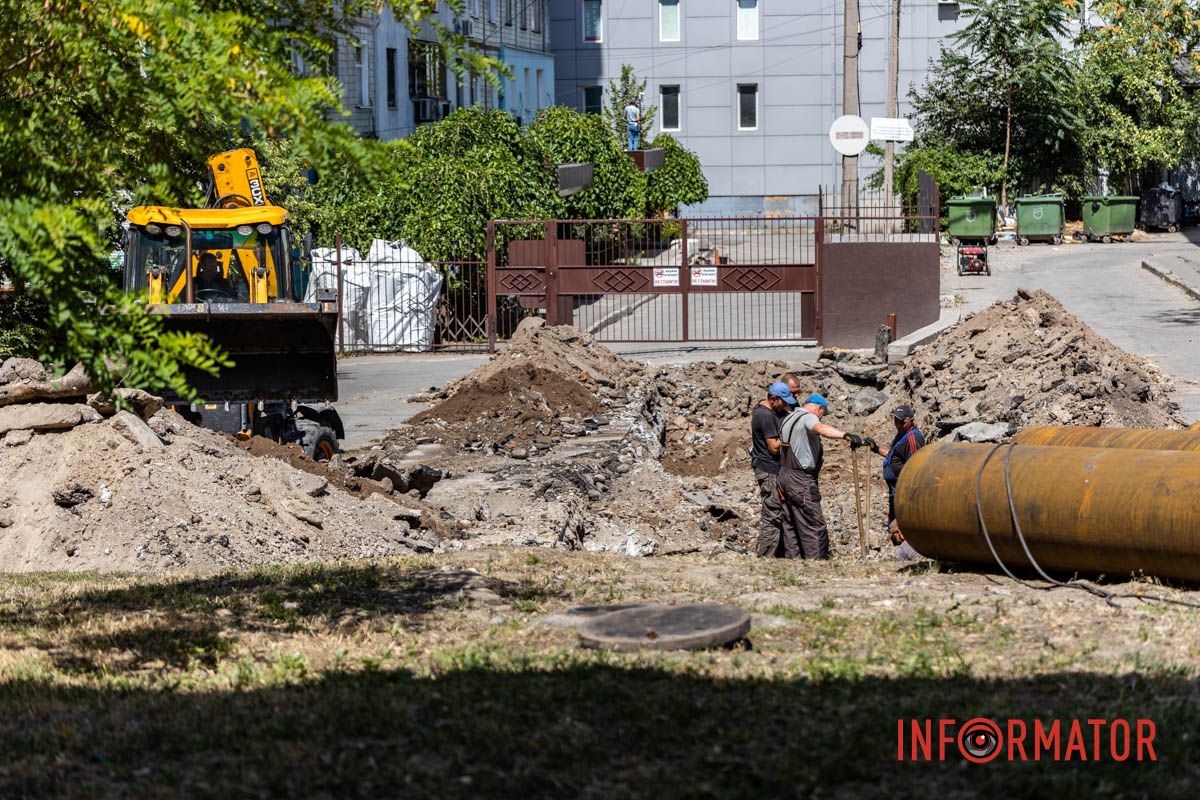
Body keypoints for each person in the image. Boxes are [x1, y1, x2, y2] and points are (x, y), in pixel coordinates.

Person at [777, 394, 864, 559]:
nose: (821, 417)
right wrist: (846, 435)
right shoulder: (808, 417)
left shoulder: (788, 419)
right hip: (800, 479)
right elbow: (820, 429)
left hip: (784, 476)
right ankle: (816, 566)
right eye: (822, 413)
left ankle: (794, 565)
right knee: (813, 525)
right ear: (819, 408)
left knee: (792, 525)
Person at [866, 404, 926, 560]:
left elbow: (915, 469)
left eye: (900, 421)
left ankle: (914, 560)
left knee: (901, 532)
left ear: (909, 420)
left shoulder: (913, 438)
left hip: (905, 495)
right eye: (895, 420)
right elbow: (894, 456)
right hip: (895, 492)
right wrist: (876, 449)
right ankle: (903, 559)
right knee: (894, 531)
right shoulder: (901, 435)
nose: (897, 424)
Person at [751, 382, 797, 557]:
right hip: (769, 469)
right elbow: (774, 447)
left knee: (774, 511)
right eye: (782, 402)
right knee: (772, 513)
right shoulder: (766, 416)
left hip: (766, 468)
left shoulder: (763, 411)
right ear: (773, 398)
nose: (784, 405)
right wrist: (791, 437)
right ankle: (766, 556)